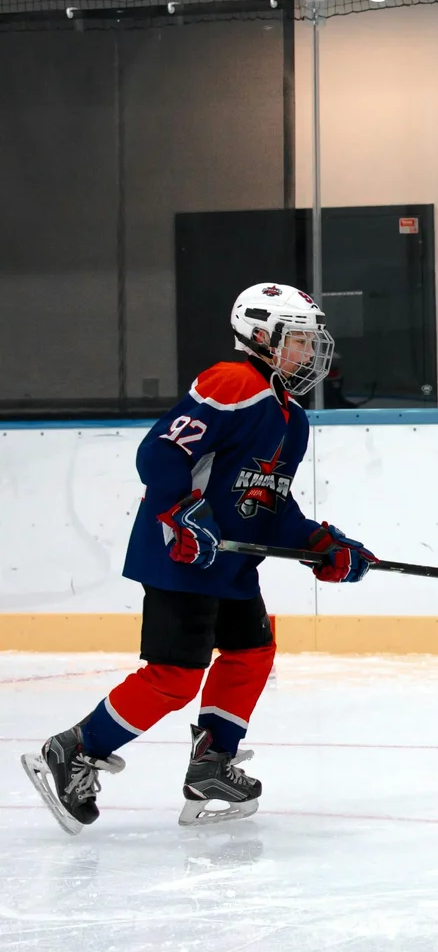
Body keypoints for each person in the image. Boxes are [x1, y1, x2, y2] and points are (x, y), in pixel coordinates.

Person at [21, 284, 374, 833]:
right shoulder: (232, 383)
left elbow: (267, 505)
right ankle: (76, 749)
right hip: (181, 558)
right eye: (299, 339)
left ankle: (212, 762)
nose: (309, 352)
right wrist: (181, 511)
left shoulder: (291, 418)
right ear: (261, 336)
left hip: (230, 566)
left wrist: (321, 545)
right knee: (175, 676)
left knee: (251, 651)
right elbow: (160, 451)